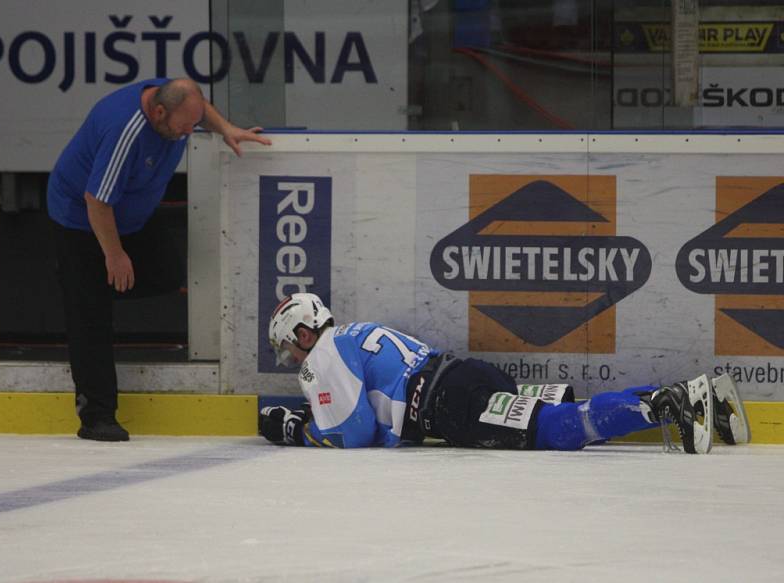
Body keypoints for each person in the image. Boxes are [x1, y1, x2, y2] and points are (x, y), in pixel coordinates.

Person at [47, 77, 272, 442]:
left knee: (165, 274)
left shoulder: (175, 101)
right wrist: (115, 254)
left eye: (194, 124)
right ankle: (97, 416)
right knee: (91, 318)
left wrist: (226, 128)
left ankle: (84, 289)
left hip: (131, 213)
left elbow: (198, 109)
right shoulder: (125, 130)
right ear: (158, 111)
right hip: (83, 219)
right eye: (184, 126)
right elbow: (96, 200)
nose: (189, 132)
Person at [261, 293, 751, 453]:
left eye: (290, 349)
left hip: (449, 408)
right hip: (464, 375)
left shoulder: (322, 355)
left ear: (304, 333)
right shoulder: (352, 331)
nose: (294, 362)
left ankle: (665, 404)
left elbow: (355, 433)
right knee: (554, 411)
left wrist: (295, 430)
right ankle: (698, 398)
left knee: (556, 429)